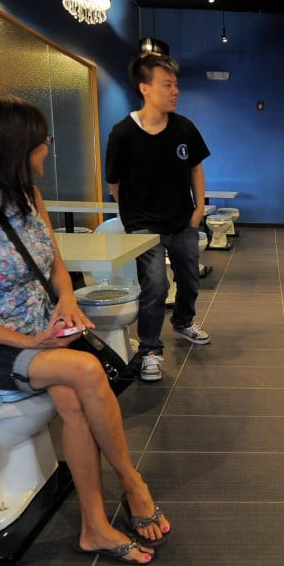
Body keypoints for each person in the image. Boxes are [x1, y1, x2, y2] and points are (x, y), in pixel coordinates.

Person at [0, 92, 171, 564]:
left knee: (72, 400)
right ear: (14, 147)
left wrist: (65, 298)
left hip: (41, 332)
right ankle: (132, 483)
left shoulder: (29, 196)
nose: (48, 148)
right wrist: (29, 340)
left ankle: (94, 528)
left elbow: (55, 264)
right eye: (43, 140)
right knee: (86, 373)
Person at [105, 52, 211, 382]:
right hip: (144, 227)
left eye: (176, 84)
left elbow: (195, 166)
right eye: (167, 84)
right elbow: (114, 183)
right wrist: (134, 218)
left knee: (190, 279)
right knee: (154, 285)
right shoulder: (122, 133)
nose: (175, 91)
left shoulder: (184, 128)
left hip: (182, 222)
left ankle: (183, 321)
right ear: (146, 88)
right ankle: (150, 349)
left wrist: (198, 209)